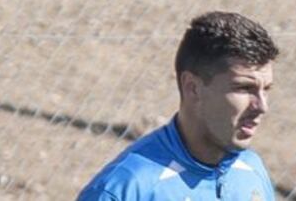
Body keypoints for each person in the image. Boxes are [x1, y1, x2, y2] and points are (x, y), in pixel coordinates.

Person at [77, 11, 279, 201]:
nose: (261, 106)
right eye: (244, 88)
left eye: (266, 89)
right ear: (193, 88)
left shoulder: (251, 169)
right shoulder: (125, 189)